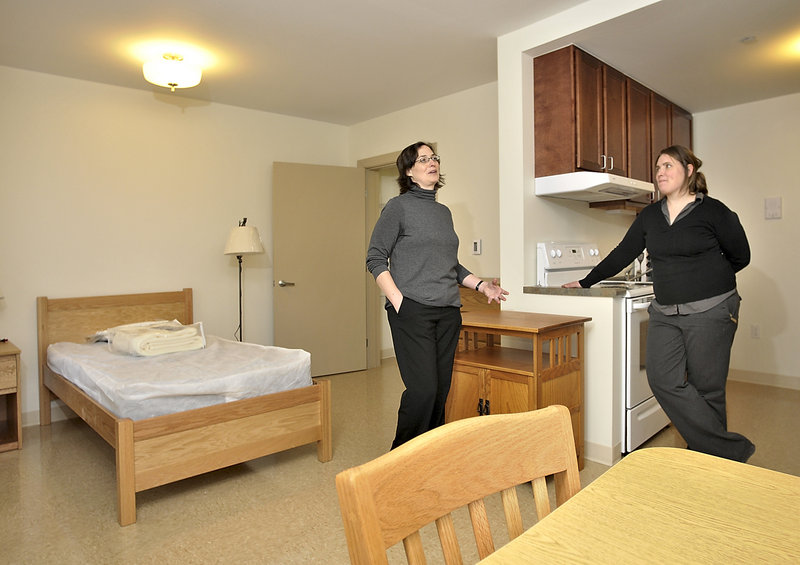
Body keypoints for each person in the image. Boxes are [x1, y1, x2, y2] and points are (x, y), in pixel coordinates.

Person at [563, 145, 754, 463]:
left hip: (712, 309)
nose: (660, 172)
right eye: (657, 168)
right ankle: (729, 449)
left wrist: (706, 279)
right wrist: (586, 281)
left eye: (668, 165)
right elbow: (623, 252)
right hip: (666, 311)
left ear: (689, 171)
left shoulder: (715, 211)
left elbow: (741, 255)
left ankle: (712, 462)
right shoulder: (650, 216)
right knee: (662, 378)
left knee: (707, 386)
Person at [366, 141, 508, 449]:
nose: (432, 162)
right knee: (423, 390)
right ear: (409, 171)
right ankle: (400, 459)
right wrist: (399, 301)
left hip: (447, 312)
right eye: (423, 159)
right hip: (412, 311)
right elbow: (375, 258)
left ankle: (430, 455)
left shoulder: (443, 213)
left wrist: (483, 286)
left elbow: (450, 264)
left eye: (434, 158)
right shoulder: (397, 207)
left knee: (441, 389)